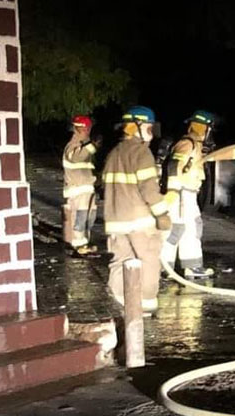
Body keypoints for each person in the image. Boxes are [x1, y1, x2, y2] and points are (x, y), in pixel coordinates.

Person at [102, 106, 170, 312]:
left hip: (115, 222)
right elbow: (149, 190)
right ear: (136, 126)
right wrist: (162, 215)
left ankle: (119, 305)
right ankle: (146, 306)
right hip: (140, 223)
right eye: (148, 128)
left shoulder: (114, 153)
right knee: (148, 260)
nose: (150, 133)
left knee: (119, 262)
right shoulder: (141, 152)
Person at [160, 110, 216, 278]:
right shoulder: (188, 143)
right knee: (176, 229)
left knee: (189, 229)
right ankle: (166, 267)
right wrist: (173, 191)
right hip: (181, 193)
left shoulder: (195, 145)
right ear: (204, 128)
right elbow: (174, 165)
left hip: (186, 193)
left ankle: (187, 266)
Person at [62, 115, 100, 257]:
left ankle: (84, 243)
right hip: (77, 192)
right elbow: (79, 156)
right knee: (80, 218)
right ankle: (78, 245)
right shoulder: (72, 146)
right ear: (78, 129)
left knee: (89, 218)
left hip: (86, 190)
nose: (88, 132)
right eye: (87, 129)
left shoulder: (82, 146)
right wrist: (92, 145)